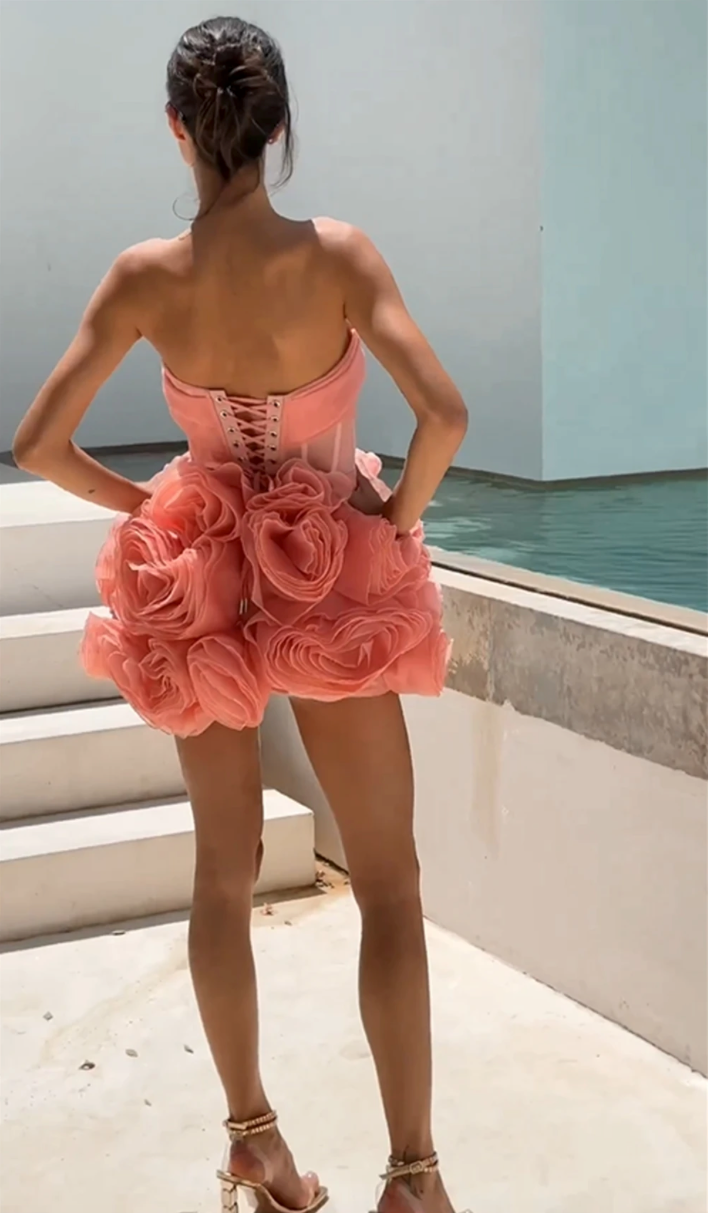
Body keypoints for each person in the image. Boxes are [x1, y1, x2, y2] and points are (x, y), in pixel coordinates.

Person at [13, 16, 468, 1213]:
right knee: (389, 883)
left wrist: (163, 507)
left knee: (222, 876)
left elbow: (38, 444)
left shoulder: (144, 276)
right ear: (279, 128)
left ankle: (254, 1143)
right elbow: (446, 417)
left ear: (178, 128)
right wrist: (395, 518)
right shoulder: (339, 256)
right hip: (333, 578)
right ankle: (413, 1177)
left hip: (203, 588)